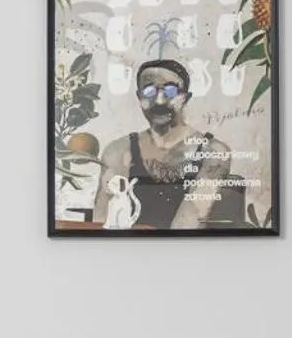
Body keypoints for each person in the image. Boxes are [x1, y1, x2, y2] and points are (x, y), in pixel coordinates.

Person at [91, 58, 242, 230]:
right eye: (149, 91)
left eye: (171, 91)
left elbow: (188, 224)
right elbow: (103, 224)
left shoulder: (214, 152)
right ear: (139, 97)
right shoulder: (118, 151)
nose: (160, 100)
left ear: (186, 97)